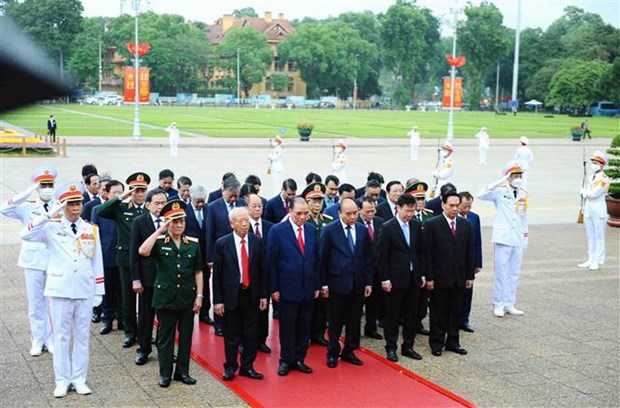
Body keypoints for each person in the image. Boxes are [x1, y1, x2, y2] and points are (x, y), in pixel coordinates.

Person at [21, 181, 105, 398]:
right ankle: (61, 380)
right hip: (60, 289)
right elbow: (26, 234)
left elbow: (97, 261)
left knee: (82, 337)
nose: (76, 208)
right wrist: (49, 216)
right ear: (62, 205)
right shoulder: (50, 227)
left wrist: (98, 290)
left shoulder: (90, 229)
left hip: (84, 289)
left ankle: (79, 378)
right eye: (71, 204)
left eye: (78, 203)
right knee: (61, 337)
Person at [139, 199, 203, 388]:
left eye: (181, 221)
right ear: (168, 223)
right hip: (165, 298)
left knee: (185, 336)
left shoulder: (192, 244)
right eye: (174, 222)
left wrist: (200, 296)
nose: (179, 225)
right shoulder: (160, 242)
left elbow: (199, 271)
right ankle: (165, 373)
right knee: (165, 338)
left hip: (186, 297)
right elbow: (142, 251)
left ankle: (182, 372)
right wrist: (159, 230)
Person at [1, 166, 57, 356]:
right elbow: (4, 208)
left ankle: (50, 338)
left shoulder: (59, 205)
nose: (47, 188)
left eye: (50, 184)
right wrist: (28, 191)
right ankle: (37, 339)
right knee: (35, 303)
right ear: (37, 187)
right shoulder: (27, 207)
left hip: (53, 259)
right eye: (43, 185)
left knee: (51, 302)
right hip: (33, 260)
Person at [213, 207, 268, 381]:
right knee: (231, 334)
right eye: (240, 221)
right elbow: (218, 276)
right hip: (231, 296)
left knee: (251, 333)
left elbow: (262, 272)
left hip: (252, 294)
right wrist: (218, 301)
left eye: (246, 220)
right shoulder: (222, 243)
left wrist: (263, 296)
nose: (244, 224)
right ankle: (230, 366)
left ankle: (247, 366)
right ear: (231, 224)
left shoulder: (257, 242)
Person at [267, 197, 320, 376]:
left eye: (306, 213)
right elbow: (271, 262)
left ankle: (299, 358)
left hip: (308, 288)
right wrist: (273, 288)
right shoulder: (277, 231)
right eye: (299, 213)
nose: (303, 217)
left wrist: (317, 285)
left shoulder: (312, 230)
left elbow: (316, 260)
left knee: (304, 326)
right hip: (287, 287)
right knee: (288, 327)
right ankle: (286, 360)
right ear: (289, 212)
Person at [97, 172, 151, 348]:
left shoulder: (148, 210)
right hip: (126, 259)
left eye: (143, 190)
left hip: (145, 260)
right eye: (136, 190)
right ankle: (130, 332)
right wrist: (121, 197)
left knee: (146, 301)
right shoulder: (122, 208)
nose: (140, 194)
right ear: (131, 192)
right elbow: (102, 211)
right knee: (127, 299)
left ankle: (145, 332)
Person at [320, 198, 373, 367]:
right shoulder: (329, 230)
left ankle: (349, 351)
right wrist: (324, 284)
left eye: (355, 213)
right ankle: (332, 352)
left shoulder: (362, 230)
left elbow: (368, 258)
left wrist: (368, 282)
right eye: (348, 214)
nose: (352, 217)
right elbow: (322, 259)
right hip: (337, 283)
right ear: (339, 213)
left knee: (354, 320)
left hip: (357, 283)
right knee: (335, 321)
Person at [424, 192, 474, 357]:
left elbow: (469, 252)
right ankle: (437, 343)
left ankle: (453, 341)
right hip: (439, 278)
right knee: (438, 312)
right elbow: (428, 254)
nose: (454, 209)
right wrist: (429, 277)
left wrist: (469, 276)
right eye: (451, 205)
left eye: (456, 205)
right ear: (443, 205)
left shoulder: (465, 225)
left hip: (459, 277)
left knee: (455, 311)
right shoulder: (432, 224)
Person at [378, 193, 426, 362]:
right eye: (407, 211)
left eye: (413, 211)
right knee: (392, 315)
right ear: (398, 208)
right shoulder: (388, 227)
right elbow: (382, 256)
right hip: (395, 279)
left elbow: (420, 252)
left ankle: (408, 346)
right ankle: (391, 347)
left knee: (411, 314)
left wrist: (422, 274)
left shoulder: (416, 225)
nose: (410, 214)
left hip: (413, 277)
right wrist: (384, 279)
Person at [477, 161, 528, 318]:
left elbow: (524, 216)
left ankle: (509, 303)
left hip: (517, 237)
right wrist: (501, 180)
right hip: (503, 237)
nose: (518, 178)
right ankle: (498, 303)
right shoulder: (499, 192)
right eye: (515, 175)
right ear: (508, 177)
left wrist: (525, 236)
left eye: (520, 175)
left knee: (514, 272)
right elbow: (481, 194)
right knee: (501, 272)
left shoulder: (523, 193)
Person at [129, 189, 167, 366]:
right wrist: (135, 278)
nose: (161, 206)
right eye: (157, 203)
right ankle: (144, 349)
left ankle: (164, 349)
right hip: (147, 277)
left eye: (163, 203)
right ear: (148, 204)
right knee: (145, 316)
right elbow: (134, 252)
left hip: (166, 277)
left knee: (166, 317)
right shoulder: (139, 222)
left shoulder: (172, 220)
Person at [205, 177, 244, 336]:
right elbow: (209, 233)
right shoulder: (213, 207)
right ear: (223, 191)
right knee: (220, 286)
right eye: (231, 195)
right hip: (220, 253)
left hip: (240, 253)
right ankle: (219, 323)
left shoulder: (242, 205)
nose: (233, 199)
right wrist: (210, 258)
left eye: (236, 195)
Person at [92, 180, 125, 335]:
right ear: (107, 193)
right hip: (105, 256)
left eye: (120, 193)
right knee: (106, 290)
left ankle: (122, 318)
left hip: (122, 257)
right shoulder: (98, 210)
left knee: (121, 291)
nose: (118, 196)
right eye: (114, 193)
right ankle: (107, 319)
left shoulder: (126, 210)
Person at [303, 182, 333, 347]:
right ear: (307, 201)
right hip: (309, 268)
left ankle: (318, 333)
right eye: (313, 201)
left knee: (323, 305)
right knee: (309, 304)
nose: (317, 204)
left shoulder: (328, 220)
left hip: (325, 268)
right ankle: (305, 334)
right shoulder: (303, 221)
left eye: (320, 201)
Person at [246, 194, 274, 353]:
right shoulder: (242, 226)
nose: (257, 209)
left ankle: (261, 340)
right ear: (247, 207)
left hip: (265, 274)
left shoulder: (270, 227)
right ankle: (246, 341)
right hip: (248, 275)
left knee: (264, 309)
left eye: (260, 206)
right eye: (254, 206)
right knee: (248, 311)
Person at [357, 196, 384, 339]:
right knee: (358, 301)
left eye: (373, 211)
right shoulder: (355, 223)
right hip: (360, 269)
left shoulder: (381, 222)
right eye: (367, 211)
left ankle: (371, 327)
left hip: (377, 268)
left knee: (374, 301)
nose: (370, 214)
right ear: (360, 210)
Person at [185, 186, 212, 324]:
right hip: (189, 254)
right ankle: (187, 313)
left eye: (203, 201)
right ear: (191, 198)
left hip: (205, 253)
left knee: (205, 284)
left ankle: (205, 314)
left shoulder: (209, 209)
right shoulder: (184, 210)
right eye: (198, 201)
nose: (201, 204)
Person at [578, 151, 609, 271]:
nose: (593, 165)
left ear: (601, 165)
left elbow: (593, 194)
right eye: (593, 163)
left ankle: (598, 260)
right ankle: (590, 258)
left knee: (599, 236)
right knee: (590, 236)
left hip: (598, 211)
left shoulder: (604, 179)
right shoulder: (590, 178)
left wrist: (584, 192)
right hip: (589, 210)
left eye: (596, 163)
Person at [457, 192, 482, 333]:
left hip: (469, 262)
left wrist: (478, 262)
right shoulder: (451, 218)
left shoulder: (474, 218)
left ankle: (464, 319)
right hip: (454, 262)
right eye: (464, 206)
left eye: (469, 206)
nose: (466, 209)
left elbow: (477, 241)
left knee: (468, 291)